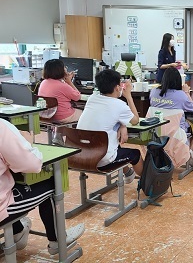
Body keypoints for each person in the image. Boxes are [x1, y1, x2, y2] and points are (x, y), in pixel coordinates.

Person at [0, 118, 84, 255]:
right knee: (52, 183)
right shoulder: (2, 128)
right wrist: (28, 142)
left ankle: (17, 232)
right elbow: (32, 164)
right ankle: (57, 240)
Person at [77, 69, 142, 183]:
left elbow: (109, 115)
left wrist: (122, 125)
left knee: (115, 144)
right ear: (118, 88)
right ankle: (147, 181)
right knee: (135, 154)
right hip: (101, 159)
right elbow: (135, 120)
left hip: (81, 156)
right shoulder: (120, 105)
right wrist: (128, 96)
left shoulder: (92, 98)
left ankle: (128, 173)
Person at [150, 67, 193, 167]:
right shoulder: (181, 95)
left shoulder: (153, 92)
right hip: (176, 133)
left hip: (156, 131)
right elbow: (191, 108)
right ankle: (190, 154)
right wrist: (186, 92)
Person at [38, 59, 82, 146]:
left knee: (64, 110)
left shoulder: (43, 83)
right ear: (60, 70)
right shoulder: (62, 86)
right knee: (85, 113)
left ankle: (57, 136)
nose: (66, 69)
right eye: (64, 67)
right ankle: (76, 142)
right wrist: (69, 82)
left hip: (48, 115)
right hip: (62, 116)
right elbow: (77, 96)